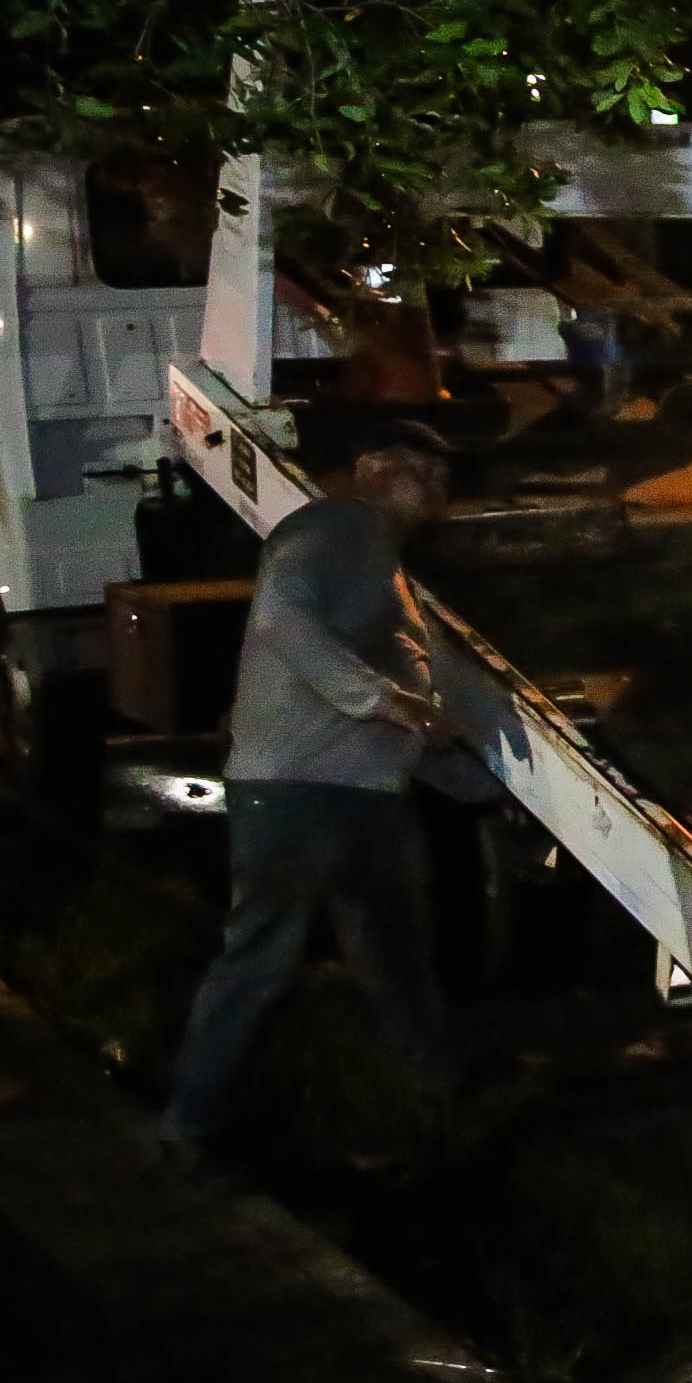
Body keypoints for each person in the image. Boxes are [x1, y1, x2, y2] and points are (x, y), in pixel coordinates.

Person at [156, 423, 476, 1162]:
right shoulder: (333, 528)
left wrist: (451, 759)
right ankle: (190, 1124)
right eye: (414, 466)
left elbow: (384, 666)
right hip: (302, 797)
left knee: (394, 952)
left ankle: (437, 1093)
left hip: (360, 793)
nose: (433, 481)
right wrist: (388, 703)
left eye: (440, 470)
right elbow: (282, 621)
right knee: (262, 960)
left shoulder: (378, 554)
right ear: (366, 467)